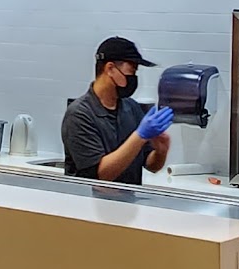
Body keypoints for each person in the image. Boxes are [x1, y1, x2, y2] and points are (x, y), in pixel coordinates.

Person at [61, 35, 174, 186]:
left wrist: (160, 151)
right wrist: (139, 136)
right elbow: (100, 175)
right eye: (131, 71)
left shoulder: (131, 108)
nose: (134, 78)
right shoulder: (79, 114)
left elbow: (151, 165)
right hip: (88, 200)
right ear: (110, 69)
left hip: (128, 199)